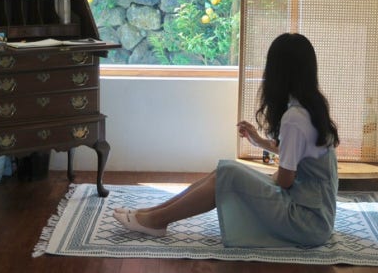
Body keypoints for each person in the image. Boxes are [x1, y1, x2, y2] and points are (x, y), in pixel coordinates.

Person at [113, 32, 340, 247]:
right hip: (316, 218)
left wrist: (257, 181)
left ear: (279, 72)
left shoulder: (294, 118)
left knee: (228, 174)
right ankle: (152, 214)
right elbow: (298, 155)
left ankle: (155, 220)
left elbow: (285, 181)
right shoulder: (310, 106)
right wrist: (259, 142)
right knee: (223, 172)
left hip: (306, 222)